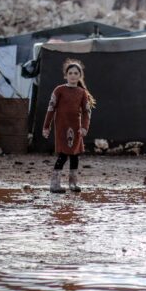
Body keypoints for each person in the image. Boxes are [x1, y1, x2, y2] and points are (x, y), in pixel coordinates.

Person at [42, 59, 95, 194]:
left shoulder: (82, 93)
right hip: (62, 127)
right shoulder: (59, 90)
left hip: (76, 128)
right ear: (65, 75)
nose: (72, 75)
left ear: (80, 76)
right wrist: (46, 127)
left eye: (75, 73)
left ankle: (73, 184)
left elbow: (86, 112)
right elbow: (51, 109)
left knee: (75, 155)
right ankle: (54, 184)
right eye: (70, 73)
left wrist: (84, 127)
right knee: (63, 155)